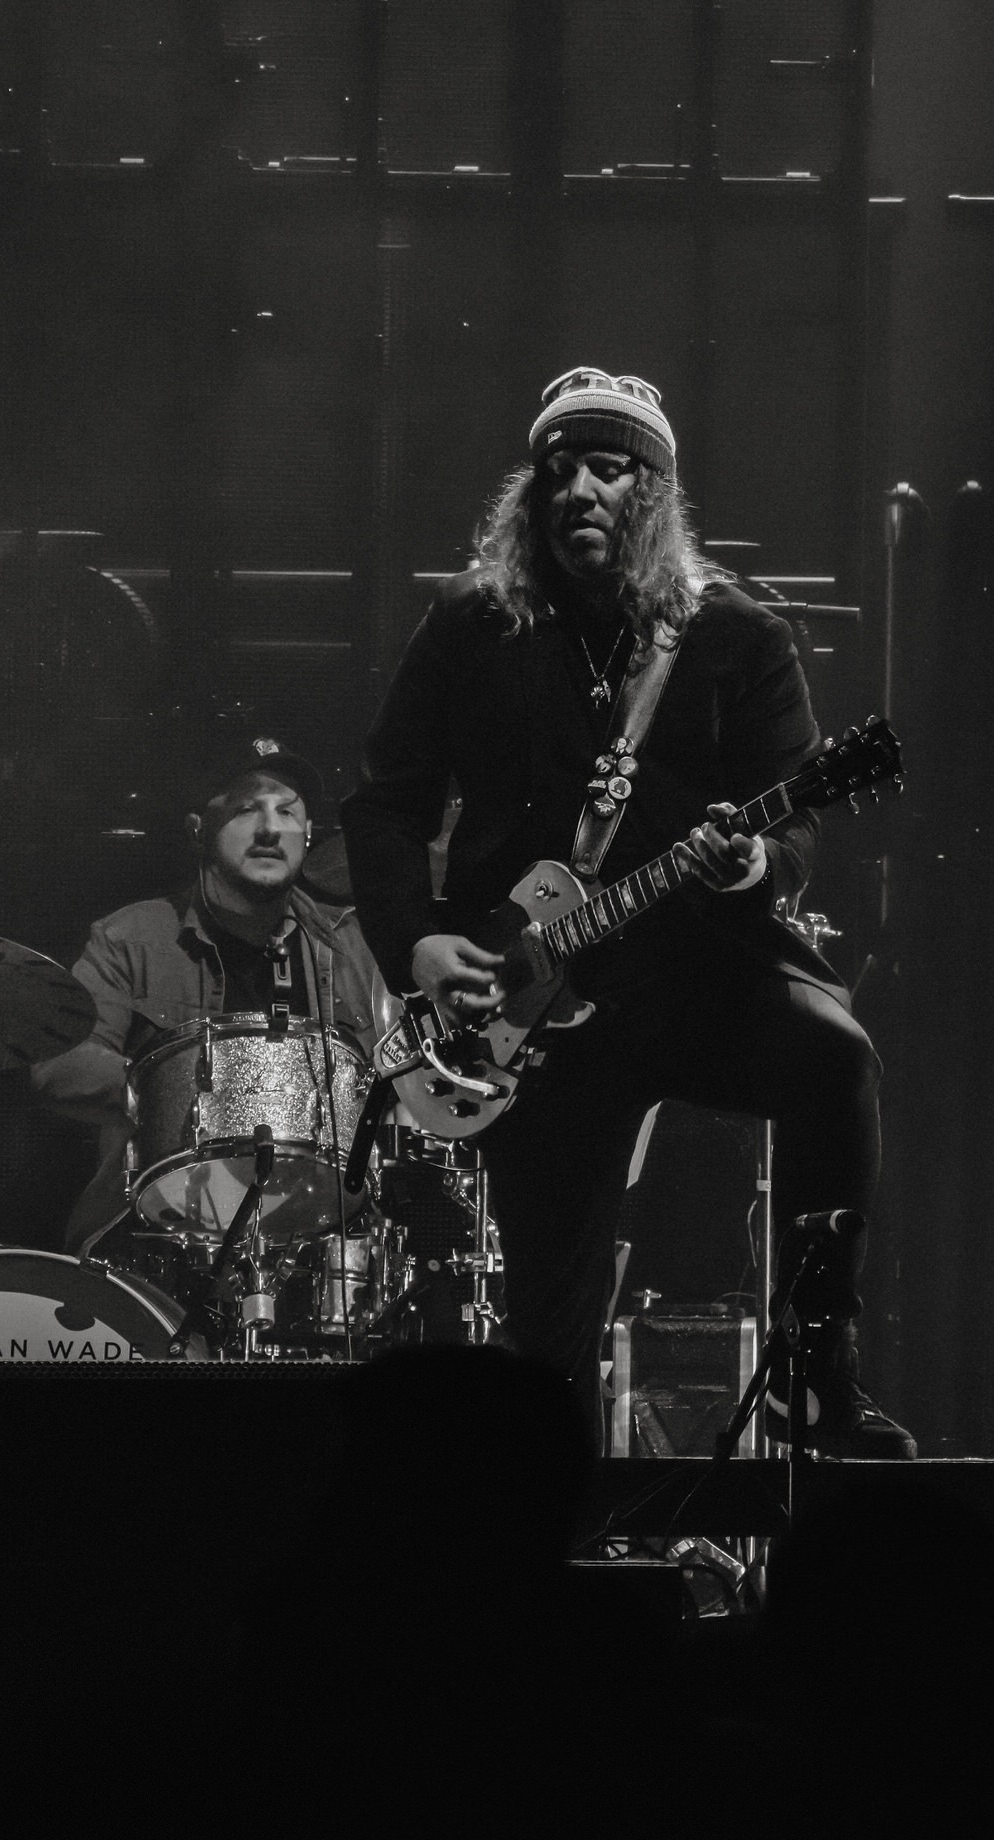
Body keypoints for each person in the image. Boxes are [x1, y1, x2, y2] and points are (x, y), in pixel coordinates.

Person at [341, 366, 913, 1457]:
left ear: (652, 493)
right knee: (546, 1330)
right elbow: (386, 801)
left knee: (835, 1060)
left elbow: (796, 821)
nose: (578, 491)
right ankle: (542, 1508)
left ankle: (814, 1364)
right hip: (534, 1002)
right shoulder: (472, 623)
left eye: (607, 468)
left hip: (698, 973)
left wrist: (752, 866)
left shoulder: (738, 634)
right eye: (558, 470)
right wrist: (416, 941)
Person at [37, 737, 392, 1254]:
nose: (270, 829)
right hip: (158, 1235)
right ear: (197, 829)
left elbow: (409, 1083)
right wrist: (187, 1093)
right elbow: (58, 1066)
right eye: (246, 809)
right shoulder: (130, 937)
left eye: (287, 812)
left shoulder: (356, 948)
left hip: (327, 1240)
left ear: (308, 834)